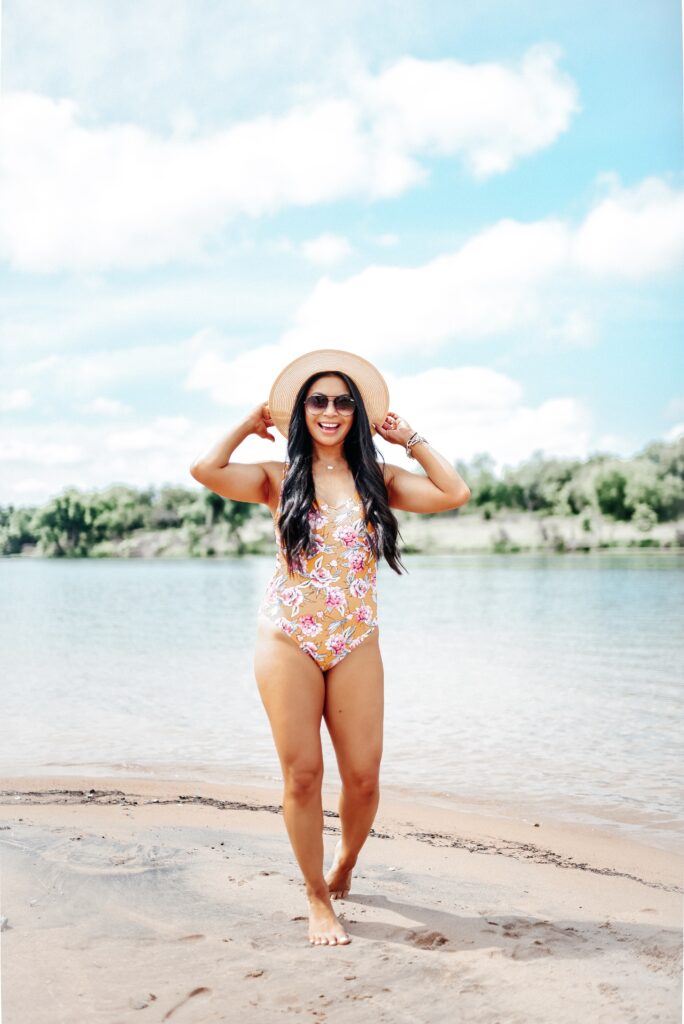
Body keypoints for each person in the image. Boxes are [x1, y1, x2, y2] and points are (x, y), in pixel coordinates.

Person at [189, 350, 471, 947]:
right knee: (303, 776)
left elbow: (455, 493)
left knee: (363, 780)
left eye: (344, 401)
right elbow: (205, 470)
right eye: (318, 400)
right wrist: (246, 423)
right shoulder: (275, 476)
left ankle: (343, 865)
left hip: (355, 639)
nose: (331, 411)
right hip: (287, 637)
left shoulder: (382, 480)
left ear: (358, 413)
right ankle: (317, 896)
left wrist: (411, 439)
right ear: (301, 411)